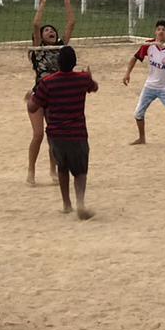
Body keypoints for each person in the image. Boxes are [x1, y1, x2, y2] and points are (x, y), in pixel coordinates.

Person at [29, 45, 98, 219]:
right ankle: (80, 202)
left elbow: (32, 107)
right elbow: (94, 87)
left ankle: (67, 204)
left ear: (58, 63)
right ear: (74, 63)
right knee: (80, 171)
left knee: (62, 168)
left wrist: (31, 96)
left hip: (56, 134)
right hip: (78, 133)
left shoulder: (48, 82)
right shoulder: (82, 79)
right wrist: (89, 76)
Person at [26, 0, 76, 185]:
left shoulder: (62, 48)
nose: (50, 31)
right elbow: (36, 25)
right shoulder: (38, 50)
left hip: (56, 97)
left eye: (52, 30)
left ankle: (52, 170)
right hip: (39, 96)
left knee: (54, 136)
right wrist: (43, 4)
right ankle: (31, 171)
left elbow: (71, 22)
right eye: (47, 31)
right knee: (38, 135)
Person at [123, 19, 165, 146]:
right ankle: (142, 138)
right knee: (138, 113)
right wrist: (127, 73)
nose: (161, 32)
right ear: (155, 32)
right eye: (158, 29)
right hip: (150, 86)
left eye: (164, 30)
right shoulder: (148, 45)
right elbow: (135, 58)